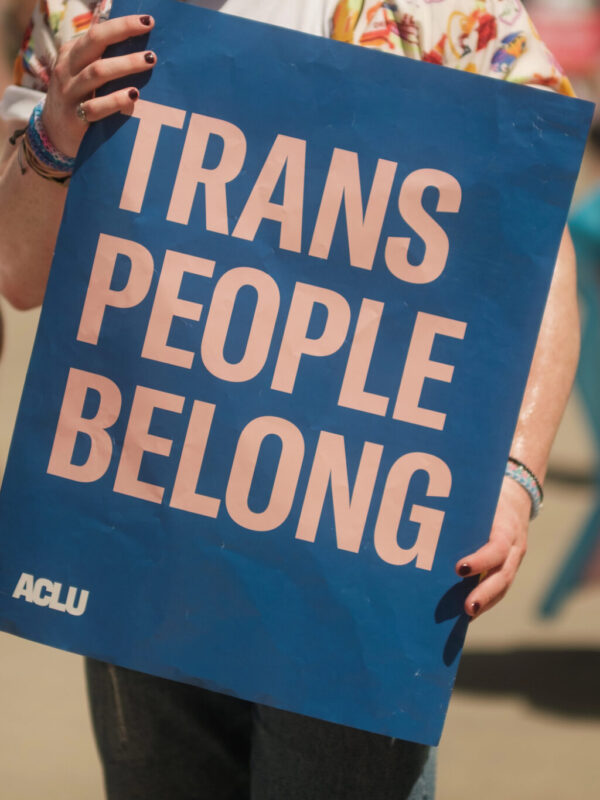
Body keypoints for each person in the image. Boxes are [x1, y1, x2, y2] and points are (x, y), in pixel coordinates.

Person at [0, 2, 581, 798]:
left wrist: (516, 476)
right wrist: (55, 140)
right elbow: (21, 275)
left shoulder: (435, 10)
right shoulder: (83, 12)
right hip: (142, 523)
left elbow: (537, 250)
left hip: (354, 558)